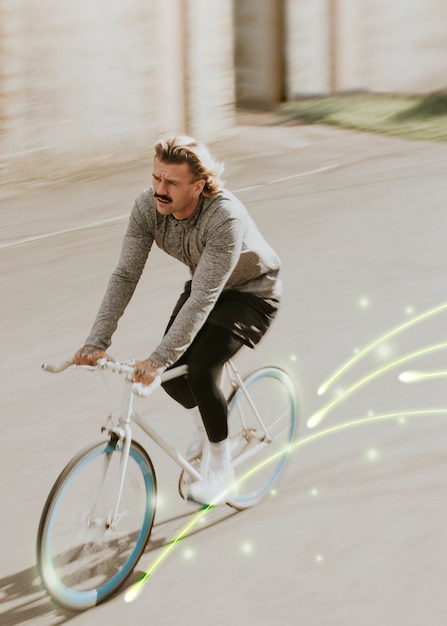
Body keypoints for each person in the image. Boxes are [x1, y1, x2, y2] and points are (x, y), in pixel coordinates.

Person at [74, 136, 281, 505]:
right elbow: (125, 275)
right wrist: (97, 341)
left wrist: (157, 359)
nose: (159, 189)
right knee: (173, 380)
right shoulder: (147, 207)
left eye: (171, 182)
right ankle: (211, 429)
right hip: (207, 282)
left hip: (251, 293)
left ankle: (222, 469)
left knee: (198, 368)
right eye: (156, 178)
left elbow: (203, 298)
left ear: (198, 186)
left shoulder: (224, 217)